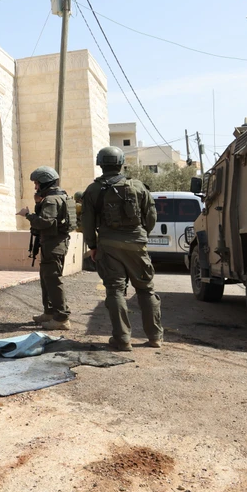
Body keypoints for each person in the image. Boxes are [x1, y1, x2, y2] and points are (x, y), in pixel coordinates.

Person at [81, 146, 162, 351]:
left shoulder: (93, 190)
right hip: (136, 244)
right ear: (121, 163)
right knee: (146, 289)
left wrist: (92, 245)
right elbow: (151, 216)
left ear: (101, 164)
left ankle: (122, 339)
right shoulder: (138, 186)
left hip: (108, 246)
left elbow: (88, 222)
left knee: (115, 291)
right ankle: (155, 337)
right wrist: (141, 236)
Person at [21, 166, 75, 331]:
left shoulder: (51, 200)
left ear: (44, 182)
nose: (35, 187)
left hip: (53, 245)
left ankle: (61, 318)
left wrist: (28, 215)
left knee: (53, 280)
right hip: (53, 243)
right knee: (47, 280)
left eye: (37, 183)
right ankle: (50, 312)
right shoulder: (61, 197)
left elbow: (45, 222)